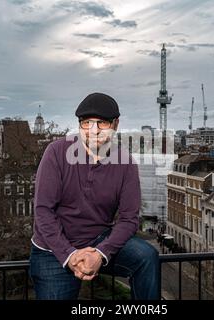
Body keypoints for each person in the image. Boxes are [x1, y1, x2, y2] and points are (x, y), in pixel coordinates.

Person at [29, 92, 160, 300]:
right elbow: (44, 211)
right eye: (86, 122)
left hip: (99, 240)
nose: (93, 130)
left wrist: (100, 254)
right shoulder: (56, 152)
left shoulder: (125, 164)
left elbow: (129, 219)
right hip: (52, 249)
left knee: (147, 256)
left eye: (102, 123)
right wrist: (70, 255)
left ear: (115, 124)